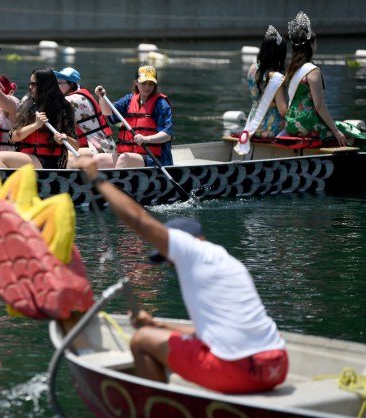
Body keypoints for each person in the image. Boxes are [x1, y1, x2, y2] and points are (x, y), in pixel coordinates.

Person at [81, 159, 288, 394]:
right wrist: (159, 324)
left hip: (238, 371)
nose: (169, 264)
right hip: (276, 365)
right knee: (154, 332)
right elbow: (207, 335)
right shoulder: (228, 262)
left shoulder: (193, 252)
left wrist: (96, 179)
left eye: (167, 255)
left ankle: (158, 409)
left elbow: (138, 220)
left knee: (141, 340)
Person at [283, 11, 366, 147]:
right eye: (315, 42)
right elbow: (319, 105)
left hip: (291, 124)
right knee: (348, 130)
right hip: (309, 124)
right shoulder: (313, 71)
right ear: (311, 44)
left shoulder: (292, 69)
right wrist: (335, 130)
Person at [0, 67, 78, 169]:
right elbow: (14, 136)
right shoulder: (28, 104)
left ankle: (11, 184)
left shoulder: (63, 107)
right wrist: (36, 125)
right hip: (29, 158)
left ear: (45, 85)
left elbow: (76, 146)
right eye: (29, 84)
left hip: (50, 163)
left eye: (34, 84)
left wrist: (65, 138)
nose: (30, 87)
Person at [94, 65, 174, 169]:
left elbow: (167, 135)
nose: (147, 87)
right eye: (144, 83)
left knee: (124, 159)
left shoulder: (161, 104)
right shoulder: (129, 100)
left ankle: (114, 184)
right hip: (130, 155)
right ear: (136, 82)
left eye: (151, 84)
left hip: (156, 158)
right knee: (98, 159)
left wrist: (146, 139)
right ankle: (98, 184)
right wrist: (102, 97)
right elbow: (108, 113)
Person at [53, 67, 116, 168]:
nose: (55, 87)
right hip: (89, 144)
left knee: (66, 155)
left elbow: (51, 110)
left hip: (100, 146)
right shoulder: (76, 95)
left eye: (59, 83)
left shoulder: (75, 99)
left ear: (71, 84)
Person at [246, 25, 288, 138]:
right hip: (271, 128)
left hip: (252, 126)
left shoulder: (252, 69)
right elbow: (283, 111)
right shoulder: (276, 77)